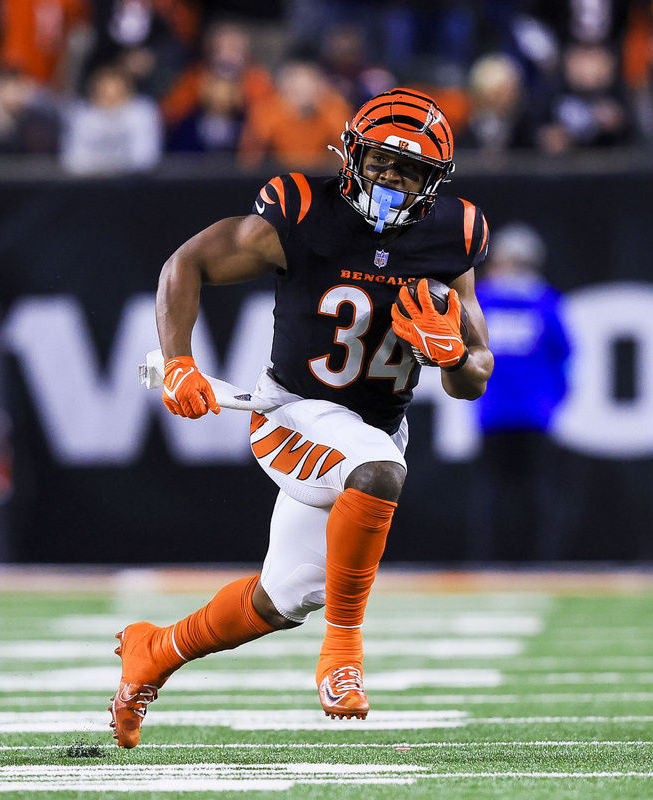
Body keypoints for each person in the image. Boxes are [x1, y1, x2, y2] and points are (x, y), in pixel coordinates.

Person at [110, 88, 493, 748]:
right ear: (351, 157)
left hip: (370, 425)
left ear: (435, 184)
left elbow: (473, 377)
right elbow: (188, 262)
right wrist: (178, 361)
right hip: (292, 414)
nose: (391, 180)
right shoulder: (304, 211)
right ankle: (344, 649)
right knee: (378, 471)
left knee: (280, 599)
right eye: (380, 162)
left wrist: (453, 354)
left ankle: (154, 652)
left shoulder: (450, 237)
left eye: (410, 171)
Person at [468, 221, 571, 561]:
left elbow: (562, 353)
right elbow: (564, 355)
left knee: (507, 492)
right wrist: (553, 398)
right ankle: (531, 559)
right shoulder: (544, 301)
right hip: (519, 411)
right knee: (518, 492)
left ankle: (506, 559)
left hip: (504, 411)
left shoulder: (485, 298)